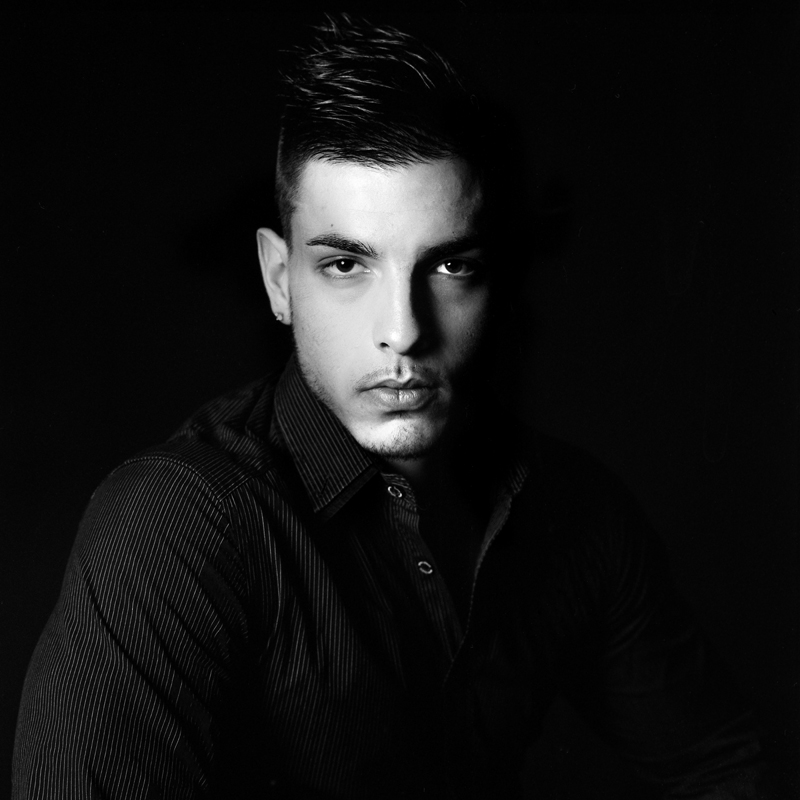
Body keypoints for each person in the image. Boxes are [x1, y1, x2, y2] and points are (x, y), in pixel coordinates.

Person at [13, 14, 772, 800]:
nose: (403, 331)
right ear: (278, 279)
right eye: (346, 265)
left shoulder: (572, 509)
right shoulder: (178, 524)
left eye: (449, 265)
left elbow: (720, 764)